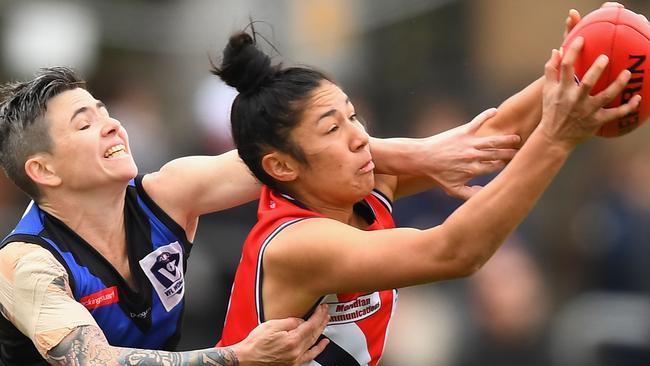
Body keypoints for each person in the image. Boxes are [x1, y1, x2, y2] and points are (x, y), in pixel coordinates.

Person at [0, 65, 521, 364]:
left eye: (106, 111)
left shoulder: (169, 190)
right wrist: (236, 358)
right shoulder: (24, 264)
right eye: (85, 123)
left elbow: (296, 155)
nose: (112, 125)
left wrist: (428, 153)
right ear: (43, 170)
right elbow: (96, 364)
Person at [212, 13, 640, 366]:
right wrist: (557, 138)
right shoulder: (297, 243)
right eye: (331, 128)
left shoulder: (357, 188)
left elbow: (493, 141)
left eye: (353, 117)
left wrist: (578, 65)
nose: (360, 137)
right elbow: (456, 251)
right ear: (281, 166)